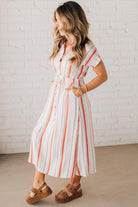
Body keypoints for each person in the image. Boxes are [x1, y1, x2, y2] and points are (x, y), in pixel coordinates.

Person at [25, 1, 108, 204]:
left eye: (59, 20)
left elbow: (103, 75)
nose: (56, 24)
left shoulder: (87, 47)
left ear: (70, 20)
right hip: (55, 96)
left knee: (75, 141)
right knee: (40, 134)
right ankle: (40, 184)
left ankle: (75, 184)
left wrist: (82, 89)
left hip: (73, 100)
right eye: (55, 20)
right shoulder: (61, 43)